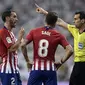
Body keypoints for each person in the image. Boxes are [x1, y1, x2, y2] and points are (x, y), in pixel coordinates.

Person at [36, 6, 85, 85]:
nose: (73, 21)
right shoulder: (75, 30)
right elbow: (59, 21)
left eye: (76, 19)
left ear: (82, 20)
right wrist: (45, 12)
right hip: (77, 65)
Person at [21, 12, 73, 85]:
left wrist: (27, 61)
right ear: (55, 23)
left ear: (45, 20)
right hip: (50, 70)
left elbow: (23, 45)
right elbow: (70, 50)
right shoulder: (58, 35)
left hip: (36, 69)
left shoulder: (34, 31)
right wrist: (61, 62)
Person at [0, 10, 24, 85]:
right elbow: (11, 49)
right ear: (7, 18)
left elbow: (16, 47)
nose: (16, 19)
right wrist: (20, 38)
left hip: (14, 69)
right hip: (8, 70)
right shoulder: (3, 32)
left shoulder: (11, 34)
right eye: (14, 17)